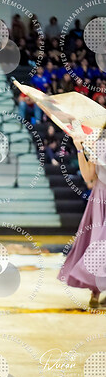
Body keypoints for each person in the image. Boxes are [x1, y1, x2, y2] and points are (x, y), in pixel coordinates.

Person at [58, 128, 106, 308]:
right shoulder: (99, 143)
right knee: (97, 244)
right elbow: (88, 177)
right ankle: (96, 292)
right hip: (101, 197)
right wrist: (79, 148)